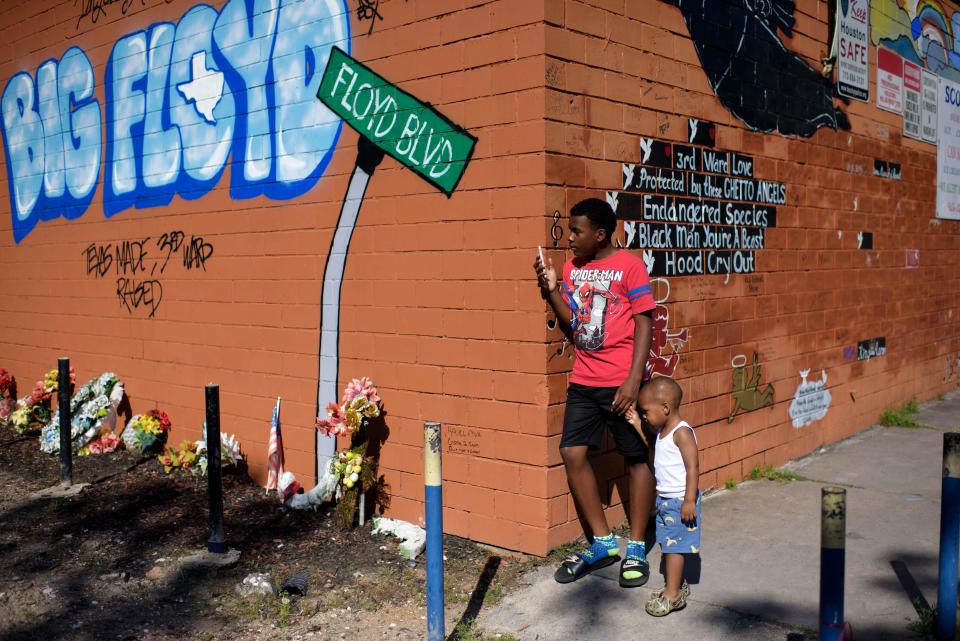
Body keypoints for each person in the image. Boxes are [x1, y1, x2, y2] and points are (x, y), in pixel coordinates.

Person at [534, 198, 656, 587]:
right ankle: (603, 543)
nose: (570, 239)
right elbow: (574, 325)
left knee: (636, 457)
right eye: (569, 230)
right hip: (585, 380)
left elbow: (644, 324)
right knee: (572, 451)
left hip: (622, 382)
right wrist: (552, 289)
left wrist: (633, 382)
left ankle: (636, 545)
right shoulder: (572, 268)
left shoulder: (631, 266)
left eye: (577, 232)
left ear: (600, 235)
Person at [626, 376, 700, 616]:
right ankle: (675, 585)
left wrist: (689, 500)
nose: (645, 415)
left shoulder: (682, 433)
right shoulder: (662, 431)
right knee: (669, 544)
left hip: (680, 501)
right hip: (667, 501)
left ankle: (673, 594)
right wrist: (637, 423)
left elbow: (693, 467)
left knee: (673, 548)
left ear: (666, 408)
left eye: (646, 411)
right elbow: (654, 448)